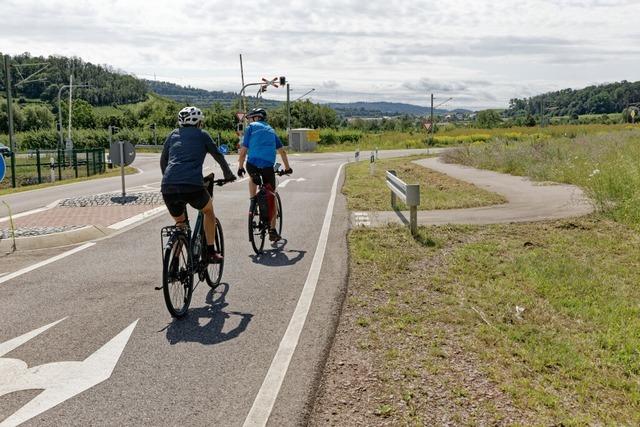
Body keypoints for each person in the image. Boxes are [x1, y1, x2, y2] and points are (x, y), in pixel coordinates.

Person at [161, 106, 236, 262]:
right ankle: (210, 251)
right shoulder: (202, 135)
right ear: (198, 122)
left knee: (181, 225)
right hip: (192, 186)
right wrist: (228, 175)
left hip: (168, 187)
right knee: (208, 211)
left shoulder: (172, 135)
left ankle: (173, 266)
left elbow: (163, 161)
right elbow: (218, 155)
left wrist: (169, 180)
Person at [237, 108, 292, 242]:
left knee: (252, 178)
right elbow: (282, 152)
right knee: (271, 196)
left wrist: (240, 166)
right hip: (267, 167)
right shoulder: (271, 131)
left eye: (251, 118)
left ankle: (252, 202)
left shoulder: (250, 128)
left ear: (255, 118)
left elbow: (243, 151)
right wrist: (287, 168)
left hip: (252, 165)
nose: (250, 120)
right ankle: (272, 231)